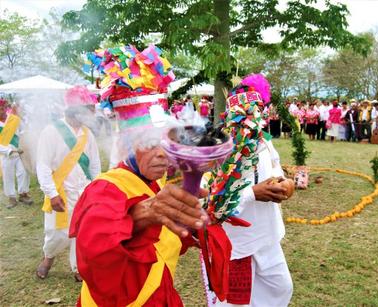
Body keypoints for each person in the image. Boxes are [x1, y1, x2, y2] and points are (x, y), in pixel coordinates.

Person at [70, 44, 208, 306]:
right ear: (125, 145)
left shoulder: (161, 182)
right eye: (147, 143)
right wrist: (140, 217)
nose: (160, 154)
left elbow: (167, 238)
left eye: (165, 142)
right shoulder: (104, 190)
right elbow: (94, 256)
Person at [211, 74, 294, 307]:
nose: (250, 121)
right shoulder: (220, 149)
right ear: (230, 117)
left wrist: (287, 185)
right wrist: (252, 193)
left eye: (256, 114)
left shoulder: (265, 141)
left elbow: (278, 171)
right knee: (236, 303)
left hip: (268, 237)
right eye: (243, 116)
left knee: (281, 289)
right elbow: (212, 204)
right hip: (239, 246)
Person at [36, 86, 101, 281]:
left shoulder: (87, 134)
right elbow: (43, 165)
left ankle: (77, 267)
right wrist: (52, 193)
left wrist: (95, 187)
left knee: (83, 230)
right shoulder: (51, 131)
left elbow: (95, 163)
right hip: (61, 192)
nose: (92, 114)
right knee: (58, 233)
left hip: (84, 190)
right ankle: (48, 256)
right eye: (89, 109)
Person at [0, 99, 32, 208]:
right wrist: (9, 151)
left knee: (23, 173)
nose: (2, 110)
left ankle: (23, 194)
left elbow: (22, 130)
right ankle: (12, 198)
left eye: (3, 108)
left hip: (20, 152)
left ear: (5, 108)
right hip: (6, 155)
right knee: (7, 175)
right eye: (0, 109)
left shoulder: (13, 119)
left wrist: (24, 140)